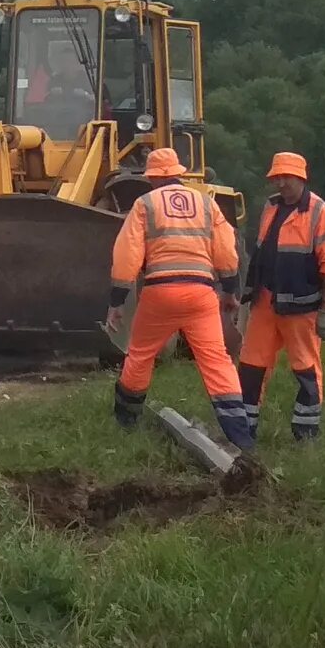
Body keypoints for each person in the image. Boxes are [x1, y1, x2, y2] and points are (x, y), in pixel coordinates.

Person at [108, 148, 249, 447]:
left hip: (160, 293)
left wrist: (117, 301)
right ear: (179, 173)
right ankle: (240, 436)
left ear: (154, 177)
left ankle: (126, 423)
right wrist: (230, 291)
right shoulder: (206, 203)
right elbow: (226, 250)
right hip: (200, 293)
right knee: (216, 360)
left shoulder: (145, 204)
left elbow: (126, 256)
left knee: (141, 354)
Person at [237, 151, 325, 444]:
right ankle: (244, 431)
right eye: (277, 177)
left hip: (301, 307)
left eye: (286, 177)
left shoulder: (320, 212)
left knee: (306, 369)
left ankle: (305, 434)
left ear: (300, 177)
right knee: (251, 366)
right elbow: (261, 252)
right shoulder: (271, 207)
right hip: (265, 302)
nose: (281, 183)